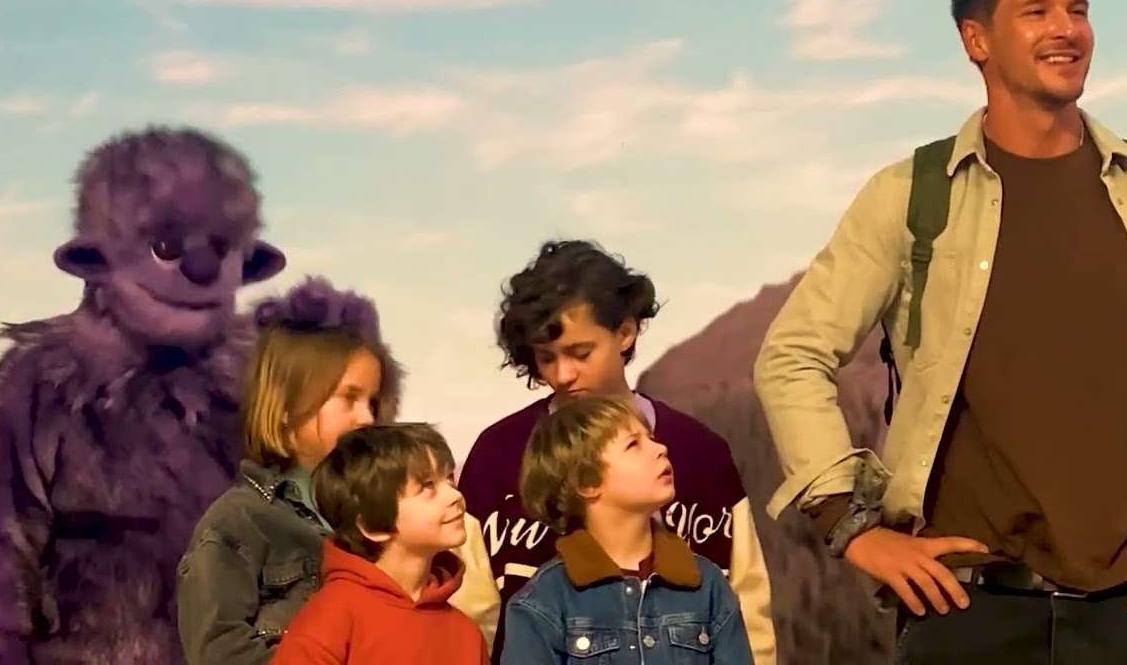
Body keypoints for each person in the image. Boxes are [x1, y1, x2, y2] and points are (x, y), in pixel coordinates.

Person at [754, 0, 1127, 662]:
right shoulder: (912, 195)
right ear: (977, 39)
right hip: (964, 610)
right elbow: (792, 357)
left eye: (1077, 9)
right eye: (1036, 11)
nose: (1066, 28)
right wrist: (852, 527)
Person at [0, 126, 286, 664]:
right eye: (166, 247)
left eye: (219, 247)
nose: (200, 270)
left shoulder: (264, 380)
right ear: (97, 260)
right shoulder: (39, 384)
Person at [448, 239, 775, 664]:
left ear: (625, 332)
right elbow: (469, 616)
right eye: (545, 358)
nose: (563, 374)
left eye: (580, 352)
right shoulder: (498, 455)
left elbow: (749, 613)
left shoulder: (701, 454)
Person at [176, 277, 402, 664]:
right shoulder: (240, 523)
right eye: (349, 398)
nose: (367, 417)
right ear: (284, 406)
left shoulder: (381, 514)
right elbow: (218, 649)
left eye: (373, 401)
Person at [503, 394, 755, 664]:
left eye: (652, 438)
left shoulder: (708, 585)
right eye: (633, 444)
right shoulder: (543, 603)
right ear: (587, 482)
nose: (661, 448)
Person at [272, 423, 489, 664]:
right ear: (374, 525)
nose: (455, 496)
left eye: (449, 478)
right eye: (427, 486)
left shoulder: (466, 634)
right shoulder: (333, 617)